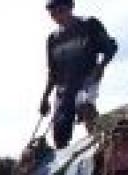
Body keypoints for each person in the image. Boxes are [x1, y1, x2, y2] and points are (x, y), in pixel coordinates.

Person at [40, 0, 119, 149]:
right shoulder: (53, 39)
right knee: (60, 130)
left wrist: (101, 66)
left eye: (61, 11)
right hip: (64, 88)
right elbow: (52, 72)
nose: (57, 16)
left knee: (85, 107)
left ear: (71, 7)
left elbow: (111, 47)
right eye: (53, 13)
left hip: (86, 80)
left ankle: (103, 148)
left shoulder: (89, 24)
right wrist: (45, 97)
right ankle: (64, 156)